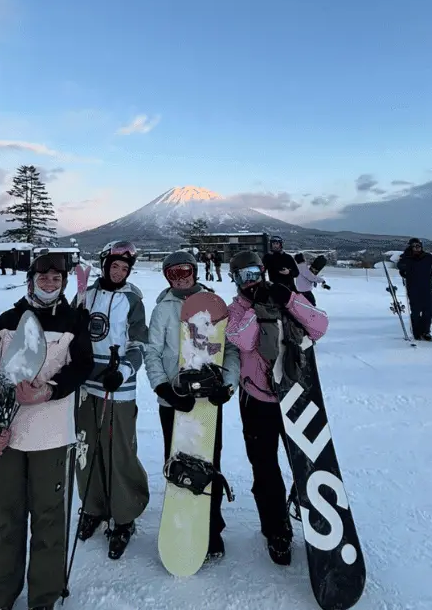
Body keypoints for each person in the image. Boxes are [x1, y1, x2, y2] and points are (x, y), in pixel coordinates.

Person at [0, 252, 94, 610]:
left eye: (57, 279)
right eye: (44, 278)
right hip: (7, 438)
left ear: (64, 283)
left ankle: (43, 598)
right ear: (32, 280)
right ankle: (1, 597)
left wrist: (49, 390)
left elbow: (82, 367)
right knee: (7, 519)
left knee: (49, 519)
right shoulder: (8, 321)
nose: (50, 284)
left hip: (53, 437)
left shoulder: (74, 321)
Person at [225, 251, 329, 567]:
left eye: (255, 272)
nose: (251, 280)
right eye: (243, 276)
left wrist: (288, 299)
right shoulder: (236, 310)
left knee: (308, 460)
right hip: (258, 401)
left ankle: (313, 508)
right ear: (236, 280)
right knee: (265, 468)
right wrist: (260, 308)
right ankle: (276, 530)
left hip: (296, 395)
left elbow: (320, 325)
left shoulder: (286, 297)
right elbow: (241, 340)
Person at [143, 250, 240, 559]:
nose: (180, 277)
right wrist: (163, 388)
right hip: (174, 399)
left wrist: (227, 385)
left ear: (195, 271)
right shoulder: (162, 310)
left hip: (208, 400)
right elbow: (152, 352)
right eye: (172, 273)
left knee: (210, 460)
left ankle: (212, 528)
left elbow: (232, 350)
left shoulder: (215, 305)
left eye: (185, 271)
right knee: (179, 460)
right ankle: (181, 521)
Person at [72, 241, 150, 559]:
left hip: (117, 386)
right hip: (85, 385)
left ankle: (124, 515)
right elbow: (72, 333)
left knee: (118, 453)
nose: (118, 272)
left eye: (124, 268)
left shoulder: (133, 299)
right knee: (85, 450)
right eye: (113, 267)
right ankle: (93, 508)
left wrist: (126, 369)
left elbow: (139, 340)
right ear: (104, 266)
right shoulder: (86, 295)